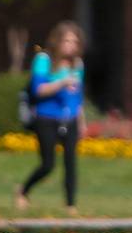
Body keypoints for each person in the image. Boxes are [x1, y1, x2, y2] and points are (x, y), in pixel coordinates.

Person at [14, 21, 86, 215]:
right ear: (57, 41)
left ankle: (71, 205)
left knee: (71, 161)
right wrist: (62, 82)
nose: (71, 45)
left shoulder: (77, 64)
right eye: (67, 41)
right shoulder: (44, 60)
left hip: (69, 119)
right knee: (48, 164)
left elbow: (78, 97)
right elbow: (38, 90)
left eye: (74, 41)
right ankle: (23, 190)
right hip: (46, 117)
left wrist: (81, 121)